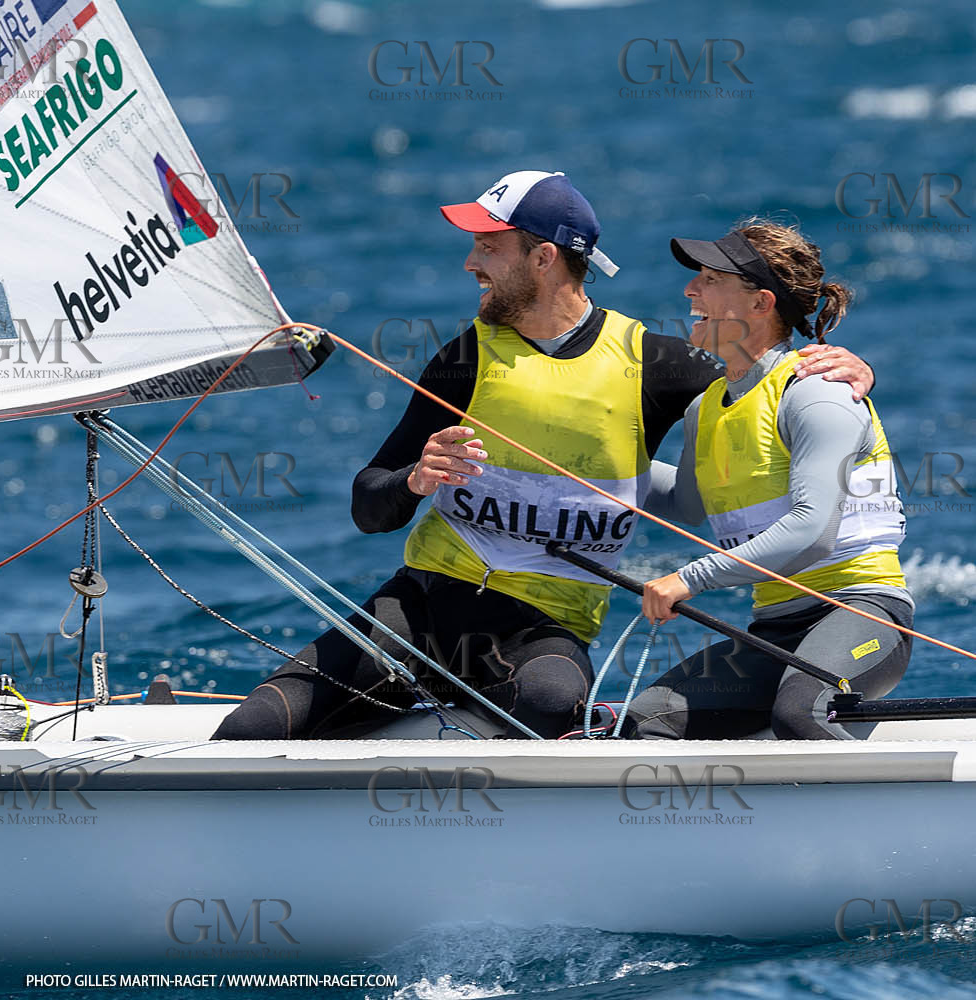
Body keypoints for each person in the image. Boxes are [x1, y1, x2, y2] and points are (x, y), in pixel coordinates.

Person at [211, 172, 874, 741]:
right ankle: (405, 702)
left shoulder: (656, 365)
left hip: (543, 629)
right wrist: (414, 481)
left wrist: (845, 369)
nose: (471, 263)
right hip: (417, 610)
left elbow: (760, 386)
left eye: (487, 246)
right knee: (252, 729)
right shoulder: (467, 356)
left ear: (542, 259)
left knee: (552, 705)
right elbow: (368, 505)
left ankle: (446, 713)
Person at [624, 219, 912, 740]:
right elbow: (687, 504)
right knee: (647, 718)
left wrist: (690, 579)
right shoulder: (704, 409)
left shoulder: (816, 392)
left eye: (711, 279)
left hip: (864, 611)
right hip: (777, 628)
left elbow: (811, 530)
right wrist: (587, 468)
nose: (691, 289)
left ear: (761, 304)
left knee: (802, 710)